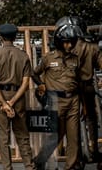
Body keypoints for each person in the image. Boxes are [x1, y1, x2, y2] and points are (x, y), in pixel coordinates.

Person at [32, 23, 82, 170]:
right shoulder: (49, 58)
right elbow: (34, 73)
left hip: (73, 100)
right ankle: (39, 161)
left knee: (74, 137)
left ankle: (70, 166)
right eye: (66, 42)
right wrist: (40, 84)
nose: (69, 45)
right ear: (60, 42)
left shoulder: (75, 59)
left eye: (71, 42)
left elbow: (79, 81)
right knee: (55, 136)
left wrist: (83, 104)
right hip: (56, 101)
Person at [0, 24, 34, 170]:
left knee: (3, 137)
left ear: (0, 37)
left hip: (1, 96)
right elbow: (26, 83)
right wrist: (13, 101)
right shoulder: (24, 56)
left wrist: (4, 103)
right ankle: (29, 166)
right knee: (22, 135)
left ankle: (7, 168)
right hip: (18, 97)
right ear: (15, 37)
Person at [57, 16, 102, 161]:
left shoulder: (66, 48)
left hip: (70, 89)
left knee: (70, 121)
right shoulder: (93, 48)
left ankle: (72, 154)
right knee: (92, 118)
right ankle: (94, 149)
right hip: (87, 87)